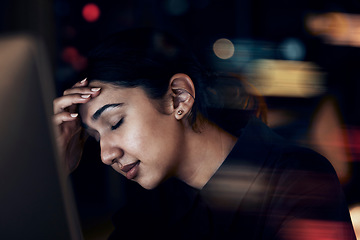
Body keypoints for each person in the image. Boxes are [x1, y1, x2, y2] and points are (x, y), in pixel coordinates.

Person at [53, 28, 356, 239]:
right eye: (94, 139)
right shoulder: (155, 207)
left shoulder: (297, 181)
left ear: (178, 97)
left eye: (116, 122)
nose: (106, 154)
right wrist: (56, 175)